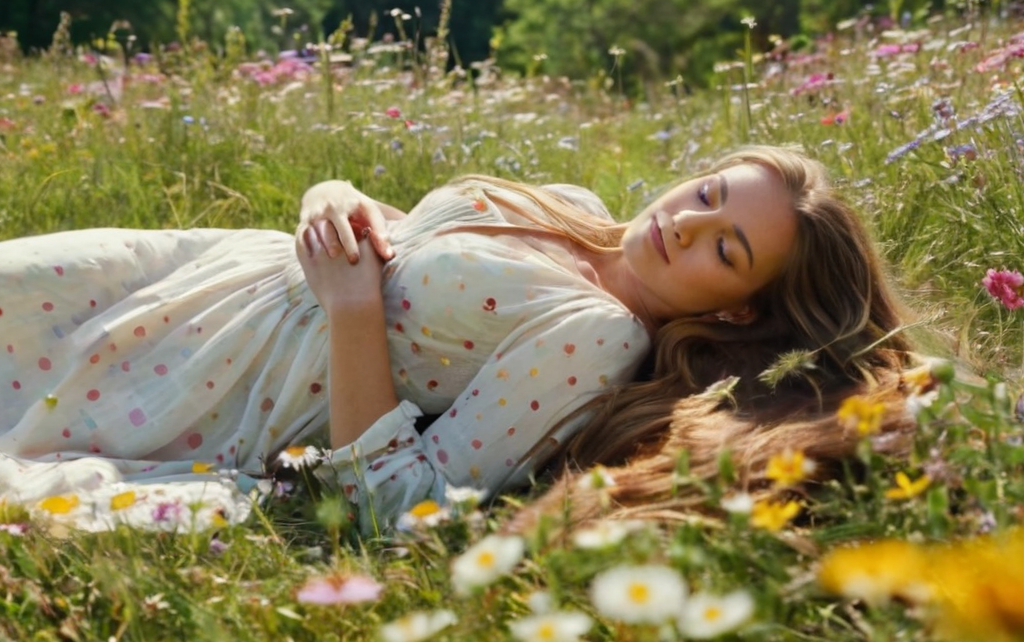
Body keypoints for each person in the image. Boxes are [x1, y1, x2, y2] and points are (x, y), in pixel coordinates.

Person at [0, 145, 915, 535]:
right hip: (198, 271)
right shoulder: (577, 207)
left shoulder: (595, 340)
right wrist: (331, 194)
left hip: (228, 382)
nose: (686, 223)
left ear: (738, 311)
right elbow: (406, 246)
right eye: (708, 195)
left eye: (727, 247)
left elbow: (406, 500)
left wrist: (352, 314)